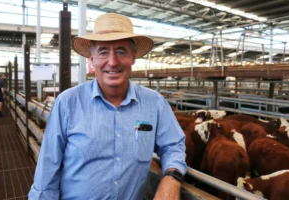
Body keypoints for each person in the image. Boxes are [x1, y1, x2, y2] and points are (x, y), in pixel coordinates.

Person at [28, 13, 187, 200]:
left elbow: (173, 145)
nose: (112, 62)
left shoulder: (155, 103)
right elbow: (47, 171)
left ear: (133, 56)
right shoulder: (68, 103)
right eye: (103, 52)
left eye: (121, 51)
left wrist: (172, 176)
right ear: (92, 59)